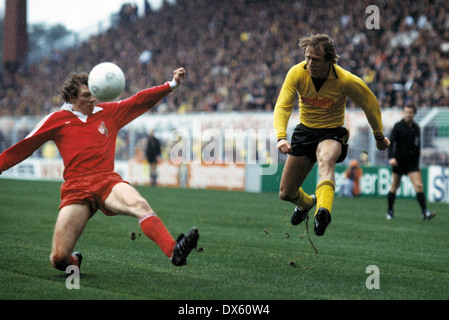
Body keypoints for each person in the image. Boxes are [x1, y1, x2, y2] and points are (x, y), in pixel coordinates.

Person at [0, 67, 199, 272]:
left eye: (94, 94)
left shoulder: (109, 113)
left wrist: (171, 84)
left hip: (107, 182)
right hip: (76, 190)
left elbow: (140, 101)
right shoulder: (56, 120)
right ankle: (75, 261)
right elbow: (23, 147)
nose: (92, 99)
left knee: (139, 204)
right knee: (59, 258)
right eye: (86, 95)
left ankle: (174, 251)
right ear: (71, 97)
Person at [274, 33, 390, 236]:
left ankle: (323, 212)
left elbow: (369, 103)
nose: (310, 63)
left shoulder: (344, 80)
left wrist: (379, 135)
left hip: (332, 131)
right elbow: (283, 105)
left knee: (326, 160)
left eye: (316, 59)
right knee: (286, 192)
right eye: (307, 57)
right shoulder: (296, 73)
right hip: (305, 131)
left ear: (329, 60)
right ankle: (308, 203)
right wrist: (281, 136)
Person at [386, 103, 436, 220]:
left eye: (410, 113)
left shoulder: (416, 128)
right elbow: (391, 143)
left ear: (414, 113)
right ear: (404, 112)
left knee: (419, 186)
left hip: (412, 163)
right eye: (406, 112)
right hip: (399, 161)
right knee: (394, 186)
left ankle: (425, 212)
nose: (408, 115)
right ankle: (390, 211)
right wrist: (391, 157)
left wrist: (417, 162)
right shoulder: (398, 126)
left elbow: (417, 146)